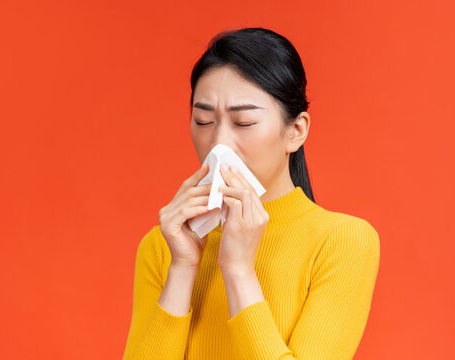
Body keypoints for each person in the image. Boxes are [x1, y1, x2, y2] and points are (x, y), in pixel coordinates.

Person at [122, 27, 380, 360]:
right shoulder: (164, 245)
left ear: (296, 131)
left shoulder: (342, 241)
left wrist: (239, 270)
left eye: (243, 122)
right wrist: (182, 268)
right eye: (203, 121)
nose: (219, 143)